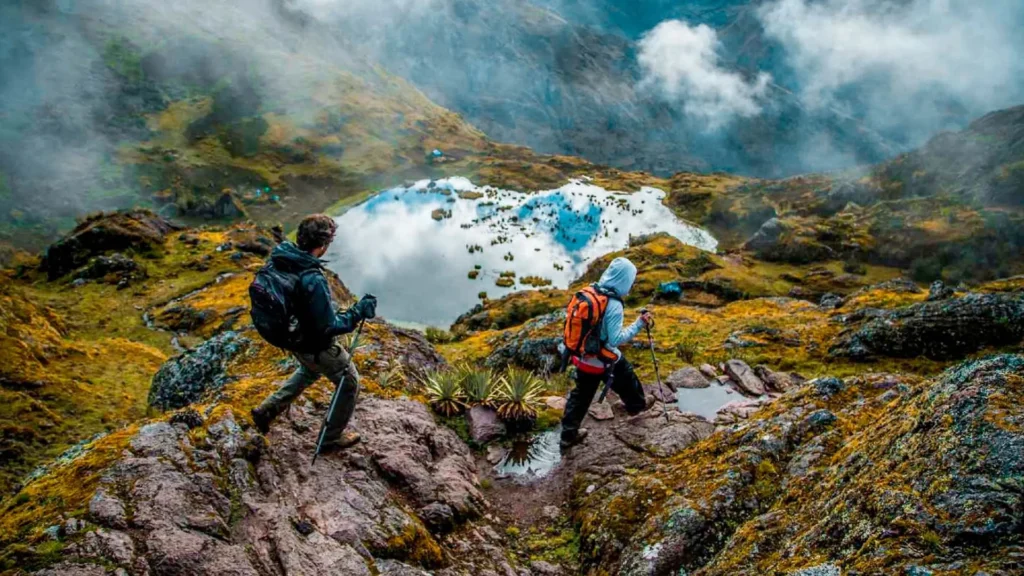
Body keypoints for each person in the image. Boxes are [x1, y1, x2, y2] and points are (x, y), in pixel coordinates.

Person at [250, 214, 377, 452]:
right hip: (315, 345)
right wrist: (358, 312)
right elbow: (329, 326)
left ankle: (266, 410)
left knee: (308, 372)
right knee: (349, 383)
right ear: (323, 245)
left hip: (292, 339)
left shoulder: (282, 259)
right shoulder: (312, 277)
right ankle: (330, 439)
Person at [560, 257, 651, 450]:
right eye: (631, 280)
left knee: (579, 398)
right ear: (624, 280)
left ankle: (568, 437)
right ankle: (637, 409)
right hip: (604, 360)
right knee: (628, 379)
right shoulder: (614, 305)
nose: (632, 284)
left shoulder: (590, 291)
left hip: (583, 357)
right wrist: (639, 324)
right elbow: (615, 340)